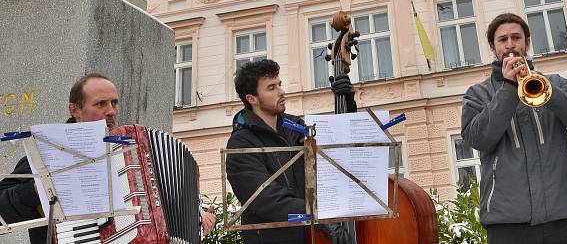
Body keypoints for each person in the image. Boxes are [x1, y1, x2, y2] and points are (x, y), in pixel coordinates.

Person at [0, 74, 215, 243]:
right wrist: (38, 189)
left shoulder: (132, 147)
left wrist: (197, 218)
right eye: (100, 104)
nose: (111, 111)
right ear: (74, 110)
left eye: (114, 103)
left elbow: (163, 201)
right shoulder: (51, 150)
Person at [461, 13, 567, 244]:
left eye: (516, 37)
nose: (510, 44)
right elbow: (478, 139)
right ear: (493, 48)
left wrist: (551, 93)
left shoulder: (555, 83)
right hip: (509, 225)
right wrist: (507, 89)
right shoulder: (478, 94)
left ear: (527, 43)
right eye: (502, 39)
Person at [226, 59, 355, 244]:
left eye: (280, 84)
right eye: (271, 88)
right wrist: (316, 214)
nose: (282, 92)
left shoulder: (298, 127)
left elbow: (340, 157)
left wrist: (348, 106)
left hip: (310, 237)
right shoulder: (241, 143)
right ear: (251, 99)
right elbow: (266, 198)